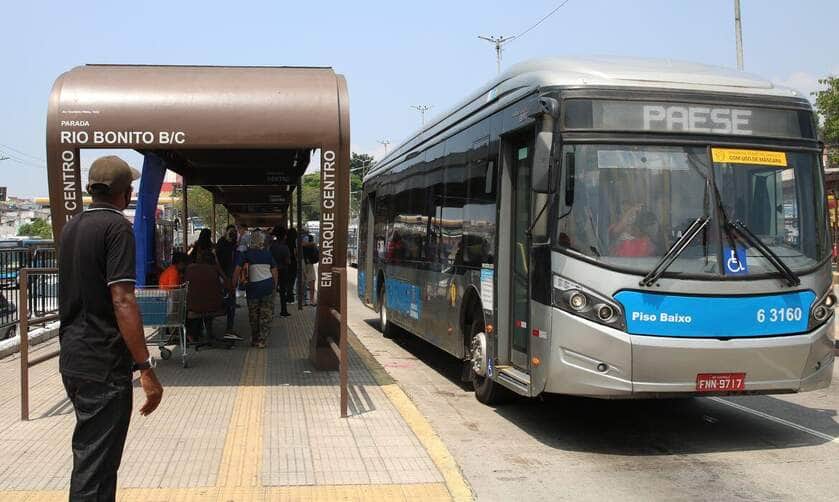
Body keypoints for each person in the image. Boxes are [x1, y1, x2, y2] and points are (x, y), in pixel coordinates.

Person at [58, 155, 163, 500]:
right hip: (103, 362)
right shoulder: (117, 228)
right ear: (125, 193)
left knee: (95, 459)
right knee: (96, 466)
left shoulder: (71, 227)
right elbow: (122, 299)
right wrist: (144, 366)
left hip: (74, 357)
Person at [230, 230, 277, 348]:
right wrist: (275, 286)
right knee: (266, 315)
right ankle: (262, 341)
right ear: (262, 241)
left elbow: (237, 270)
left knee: (254, 315)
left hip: (252, 288)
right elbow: (274, 271)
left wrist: (233, 285)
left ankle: (255, 339)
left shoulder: (245, 254)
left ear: (250, 241)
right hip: (267, 286)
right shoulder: (267, 254)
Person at [185, 249, 242, 343]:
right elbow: (229, 287)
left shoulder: (190, 268)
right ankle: (229, 330)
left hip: (193, 307)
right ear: (214, 260)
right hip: (214, 307)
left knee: (203, 302)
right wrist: (219, 269)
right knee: (231, 301)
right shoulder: (215, 269)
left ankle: (197, 333)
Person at [215, 225, 238, 336]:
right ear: (226, 233)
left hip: (230, 275)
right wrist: (223, 277)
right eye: (230, 232)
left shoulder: (234, 244)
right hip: (222, 275)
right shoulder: (221, 243)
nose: (232, 235)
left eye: (234, 233)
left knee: (231, 301)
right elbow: (218, 262)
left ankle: (230, 327)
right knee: (226, 300)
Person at [269, 226, 291, 317]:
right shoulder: (285, 247)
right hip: (283, 270)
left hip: (272, 270)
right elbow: (288, 261)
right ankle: (283, 311)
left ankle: (270, 311)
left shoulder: (271, 246)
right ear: (284, 236)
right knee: (282, 291)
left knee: (272, 291)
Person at [301, 232, 319, 306]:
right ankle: (311, 300)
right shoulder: (311, 243)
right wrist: (314, 244)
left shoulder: (300, 239)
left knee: (303, 282)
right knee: (311, 281)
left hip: (303, 262)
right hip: (308, 264)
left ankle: (303, 301)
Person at [286, 227, 298, 303]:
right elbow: (295, 253)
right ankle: (290, 298)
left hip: (286, 263)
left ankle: (288, 297)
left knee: (287, 281)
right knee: (291, 280)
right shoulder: (294, 242)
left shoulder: (285, 241)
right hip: (293, 262)